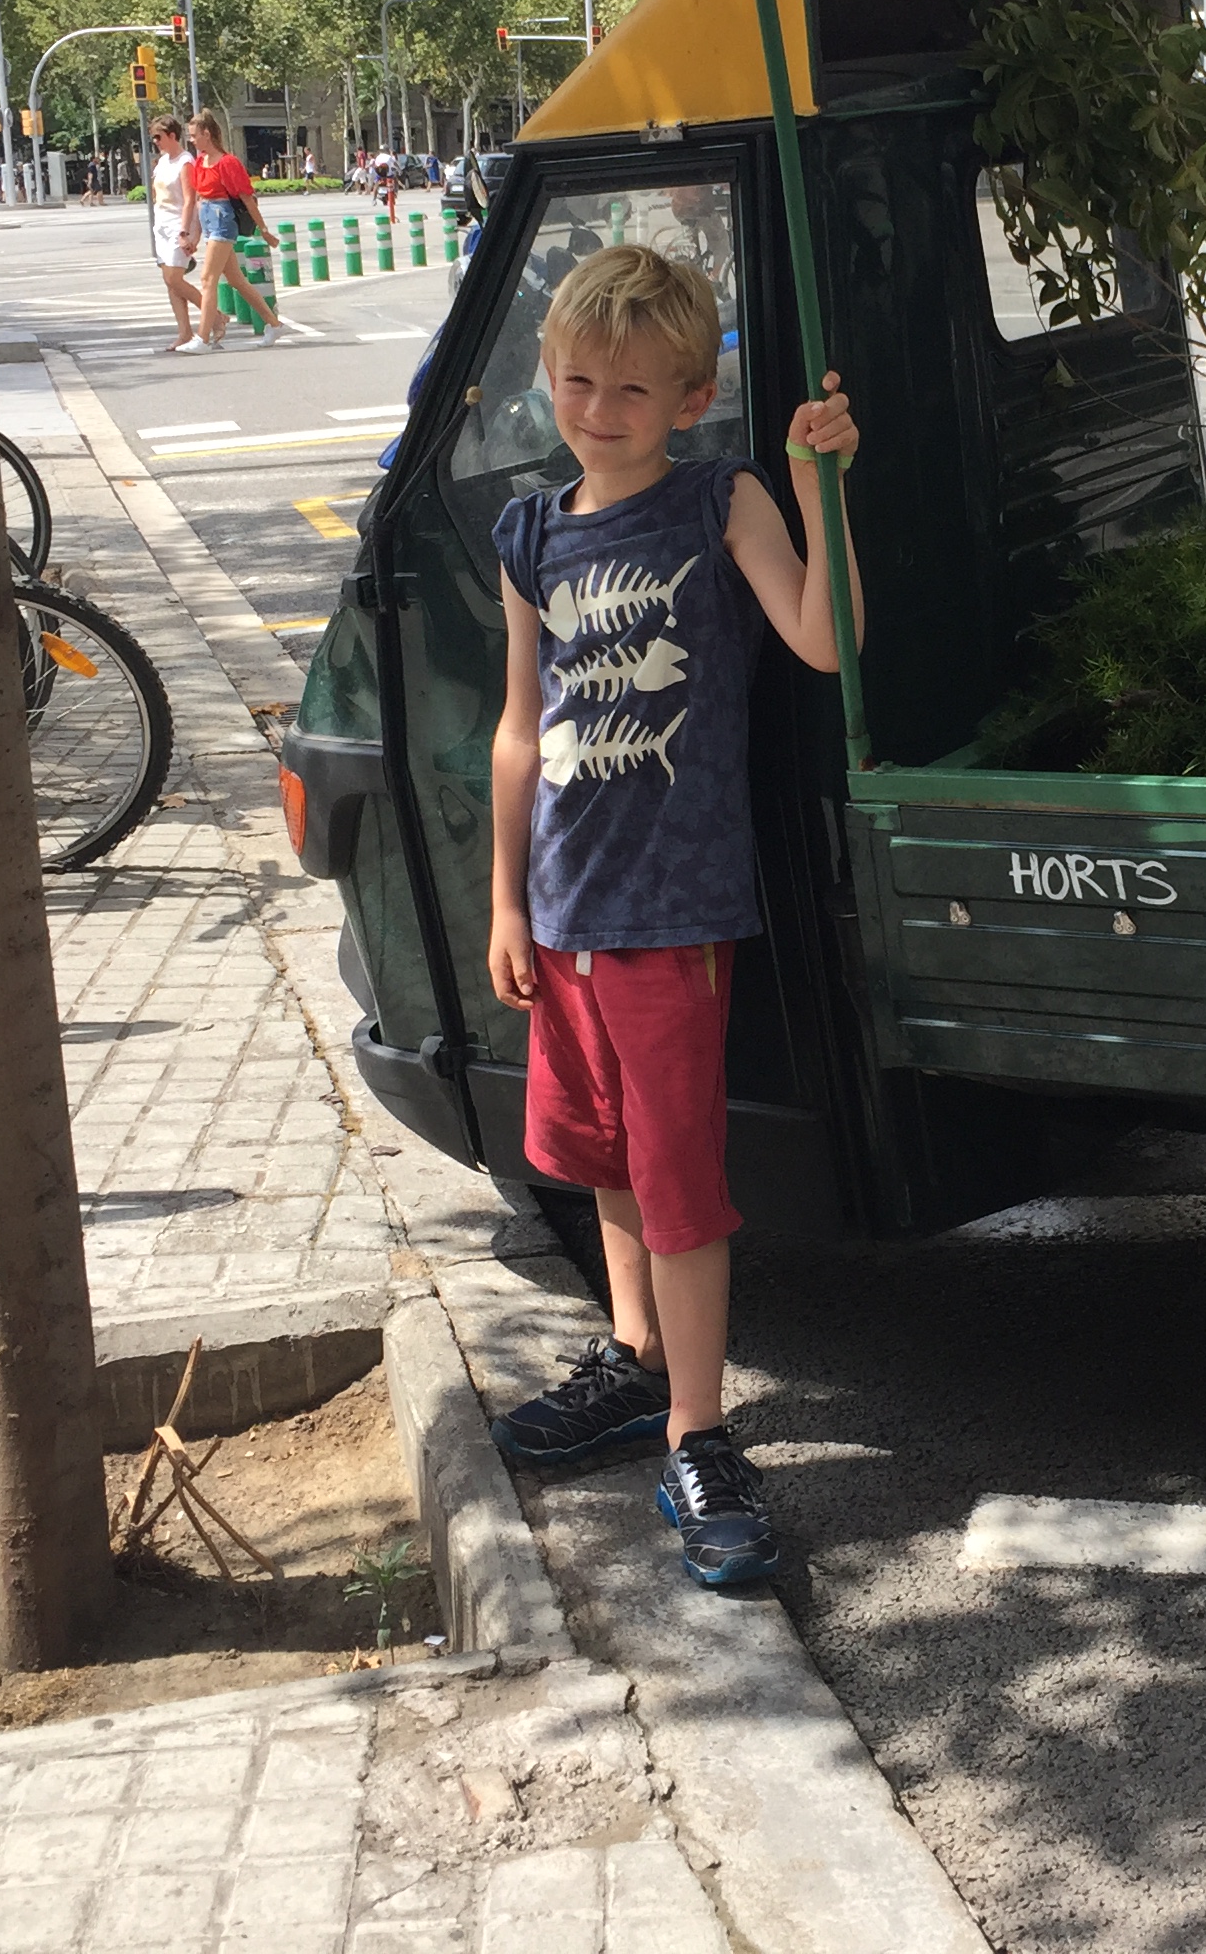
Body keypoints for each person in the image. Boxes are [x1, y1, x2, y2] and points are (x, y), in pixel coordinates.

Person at [482, 243, 862, 1589]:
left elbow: (823, 638)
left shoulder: (720, 499)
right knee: (602, 1157)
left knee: (680, 1188)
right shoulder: (529, 533)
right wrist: (507, 901)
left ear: (692, 398)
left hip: (672, 914)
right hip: (564, 913)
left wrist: (818, 488)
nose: (599, 411)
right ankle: (636, 1360)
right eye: (578, 382)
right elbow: (518, 731)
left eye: (633, 390)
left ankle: (700, 1433)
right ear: (548, 376)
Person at [182, 108, 278, 348]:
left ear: (207, 134)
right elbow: (199, 201)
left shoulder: (228, 162)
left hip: (222, 220)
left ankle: (202, 338)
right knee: (236, 279)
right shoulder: (200, 162)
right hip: (209, 219)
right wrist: (195, 236)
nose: (191, 140)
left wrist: (263, 229)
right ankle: (273, 324)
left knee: (208, 279)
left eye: (194, 135)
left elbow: (247, 198)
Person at [146, 116, 204, 352]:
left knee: (174, 279)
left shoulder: (185, 162)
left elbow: (190, 199)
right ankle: (184, 332)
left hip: (179, 225)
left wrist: (185, 232)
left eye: (158, 136)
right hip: (162, 226)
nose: (155, 141)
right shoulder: (162, 162)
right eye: (153, 137)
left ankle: (215, 316)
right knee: (170, 283)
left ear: (172, 135)